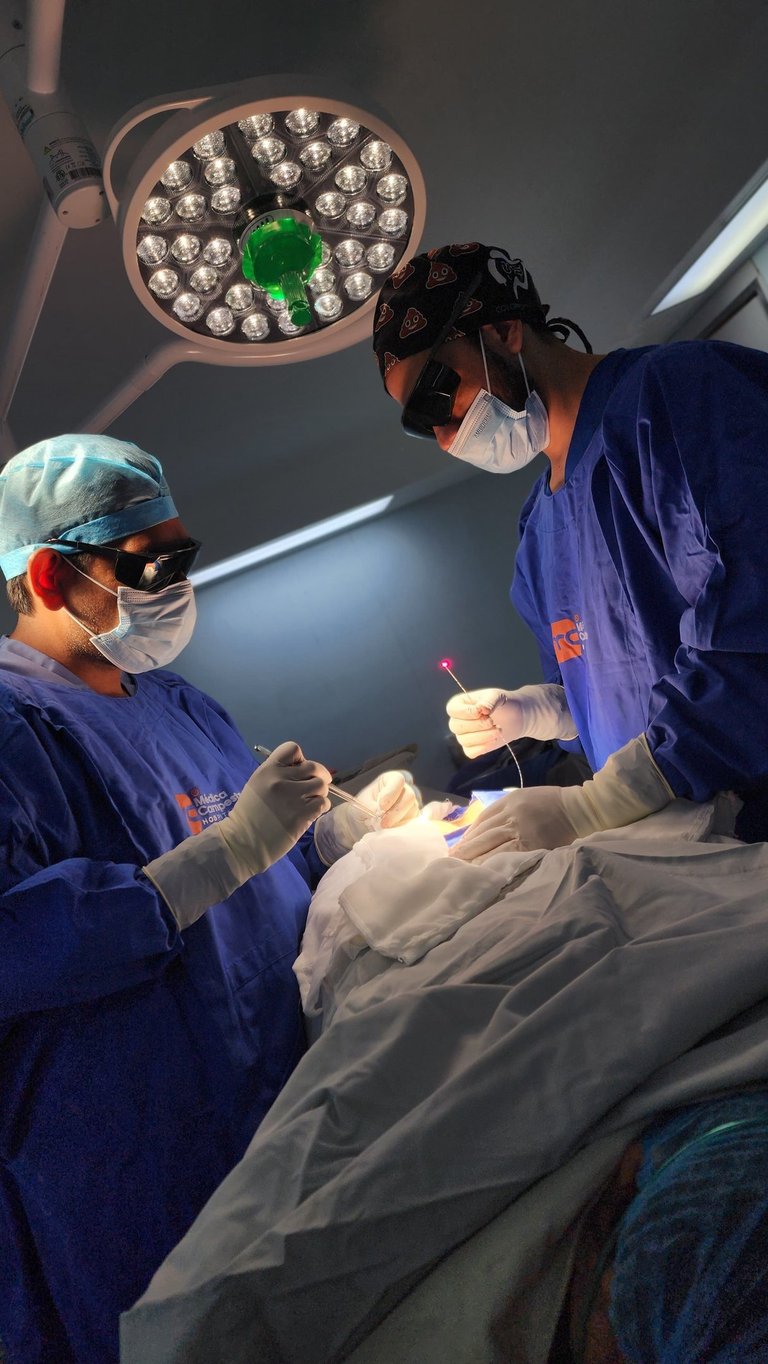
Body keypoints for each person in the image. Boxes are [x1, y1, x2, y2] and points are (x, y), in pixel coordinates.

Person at [0, 434, 419, 1364]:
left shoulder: (176, 702)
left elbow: (263, 850)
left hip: (287, 1101)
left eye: (182, 556)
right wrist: (220, 856)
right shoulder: (13, 729)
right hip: (136, 1165)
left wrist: (334, 838)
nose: (175, 583)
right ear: (46, 572)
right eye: (150, 562)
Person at [372, 241, 768, 857]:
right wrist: (538, 713)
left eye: (437, 395)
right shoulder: (538, 532)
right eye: (421, 426)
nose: (445, 438)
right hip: (673, 852)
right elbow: (621, 688)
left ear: (503, 331)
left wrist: (602, 802)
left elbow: (756, 632)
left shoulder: (677, 397)